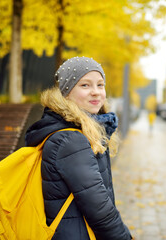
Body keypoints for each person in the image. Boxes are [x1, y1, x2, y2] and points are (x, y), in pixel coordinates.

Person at [25, 56, 132, 240]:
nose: (96, 92)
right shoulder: (71, 139)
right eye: (85, 85)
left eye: (100, 85)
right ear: (66, 93)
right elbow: (99, 209)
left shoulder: (84, 130)